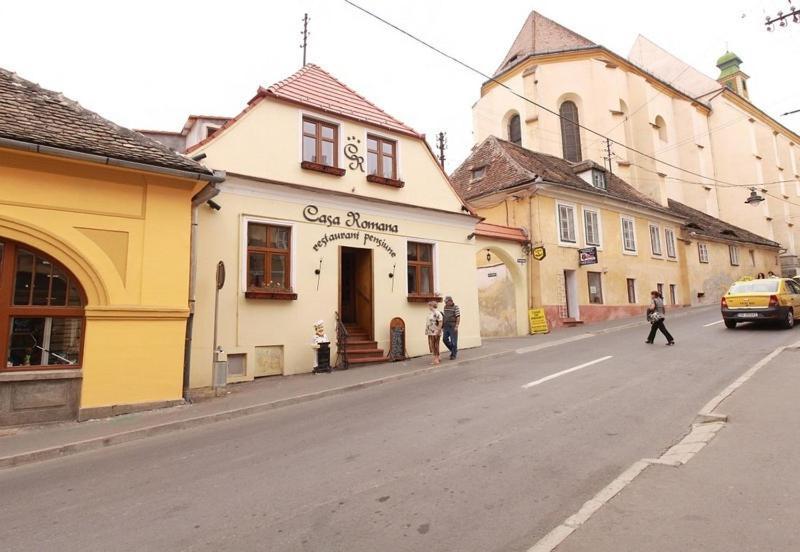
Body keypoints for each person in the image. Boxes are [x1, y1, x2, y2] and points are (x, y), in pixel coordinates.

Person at [442, 295, 461, 360]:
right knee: (444, 339)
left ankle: (453, 355)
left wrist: (457, 326)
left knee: (454, 341)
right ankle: (454, 350)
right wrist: (443, 326)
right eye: (445, 302)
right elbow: (445, 317)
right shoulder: (445, 307)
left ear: (450, 301)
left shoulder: (456, 307)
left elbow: (458, 317)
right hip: (446, 326)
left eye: (446, 302)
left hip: (453, 326)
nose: (445, 303)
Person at [425, 300, 443, 365]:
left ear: (432, 306)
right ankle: (438, 357)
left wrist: (438, 331)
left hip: (435, 332)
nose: (428, 307)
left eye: (429, 305)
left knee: (435, 345)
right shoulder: (431, 313)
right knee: (434, 345)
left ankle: (436, 359)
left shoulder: (437, 313)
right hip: (430, 332)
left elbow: (440, 322)